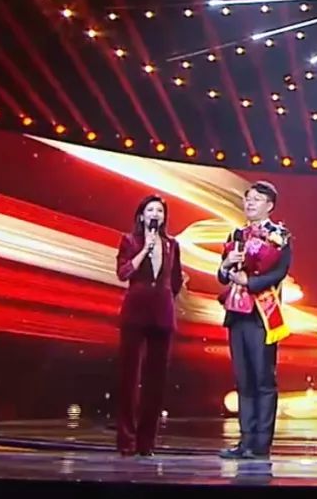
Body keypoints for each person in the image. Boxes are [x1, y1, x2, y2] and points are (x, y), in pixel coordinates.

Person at [216, 181, 292, 460]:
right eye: (248, 198)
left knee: (263, 379)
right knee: (243, 379)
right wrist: (227, 265)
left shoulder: (279, 235)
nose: (250, 203)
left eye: (257, 199)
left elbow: (279, 272)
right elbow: (222, 275)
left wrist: (250, 281)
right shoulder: (237, 234)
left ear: (269, 205)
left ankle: (261, 443)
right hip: (237, 314)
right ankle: (245, 440)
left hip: (262, 315)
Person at [114, 194, 184, 456]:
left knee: (156, 380)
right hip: (135, 312)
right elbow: (123, 273)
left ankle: (147, 442)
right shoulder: (129, 241)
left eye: (160, 211)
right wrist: (145, 250)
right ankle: (127, 440)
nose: (155, 214)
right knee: (130, 378)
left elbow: (175, 280)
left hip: (162, 314)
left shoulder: (172, 245)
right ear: (142, 216)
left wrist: (165, 297)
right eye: (150, 210)